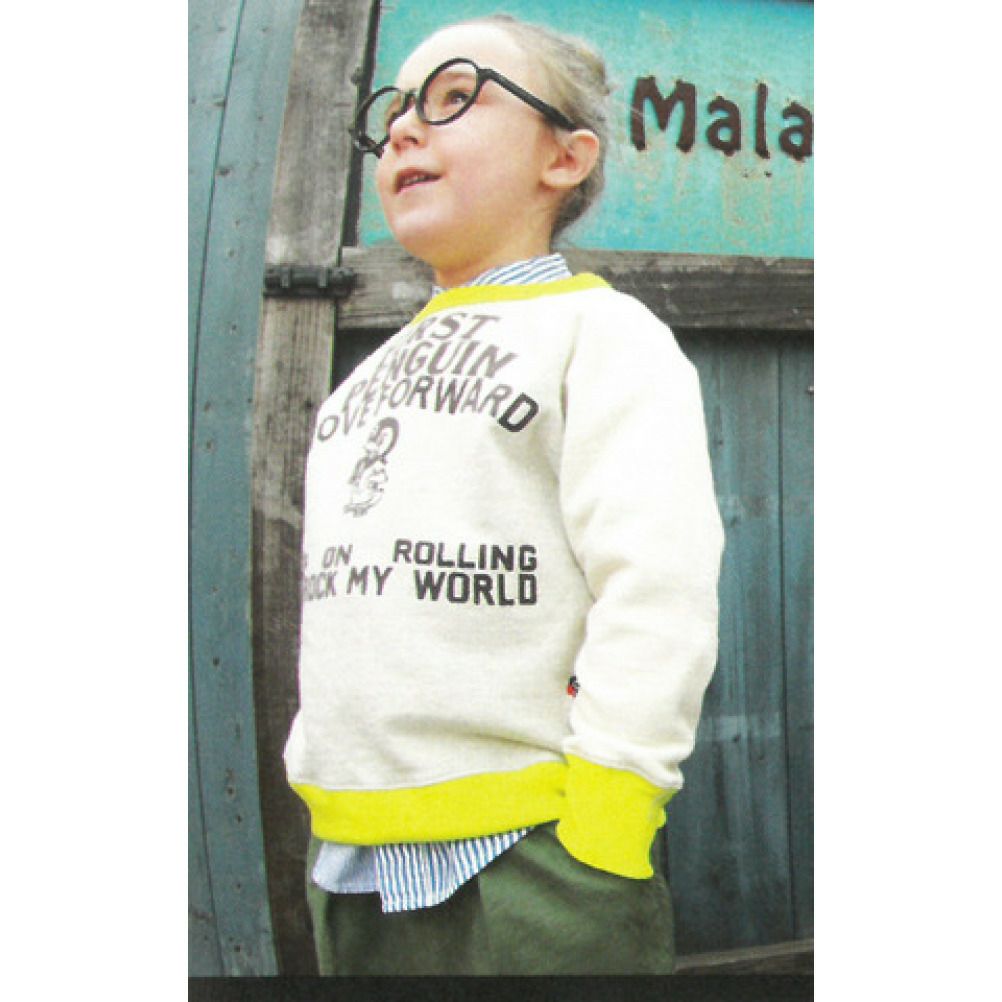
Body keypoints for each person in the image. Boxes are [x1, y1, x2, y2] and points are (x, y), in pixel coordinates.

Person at [284, 12, 724, 975]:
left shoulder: (600, 337)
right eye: (394, 114)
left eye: (454, 98)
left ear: (564, 158)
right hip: (351, 861)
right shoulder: (359, 387)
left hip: (531, 862)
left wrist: (607, 824)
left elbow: (657, 587)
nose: (405, 128)